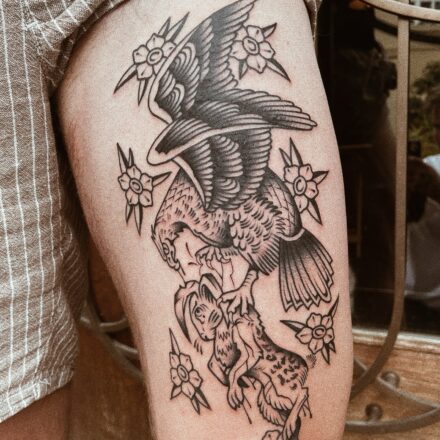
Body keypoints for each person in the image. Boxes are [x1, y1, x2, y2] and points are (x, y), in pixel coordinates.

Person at [0, 1, 352, 439]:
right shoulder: (196, 219)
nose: (191, 268)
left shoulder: (206, 193)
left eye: (185, 255)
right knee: (13, 383)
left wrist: (241, 284)